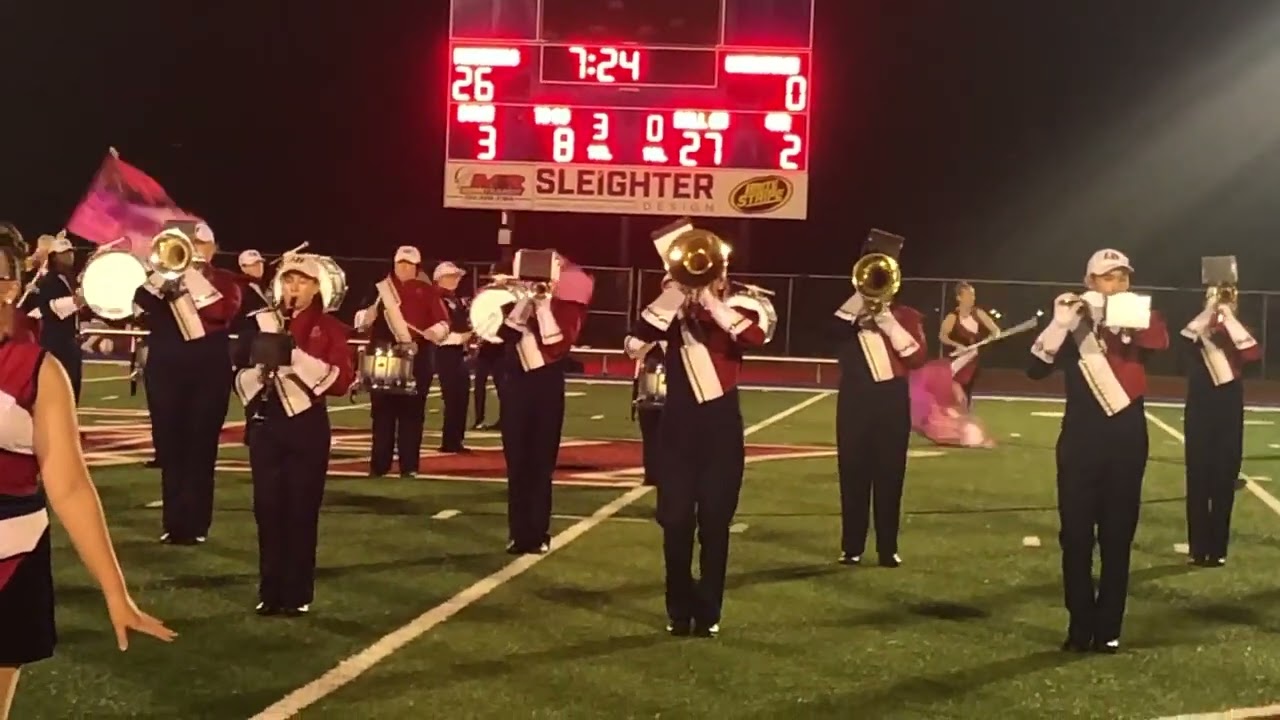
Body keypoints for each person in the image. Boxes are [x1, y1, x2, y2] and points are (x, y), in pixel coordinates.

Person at [0, 239, 175, 720]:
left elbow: (70, 486)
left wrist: (116, 593)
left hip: (10, 558)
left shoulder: (38, 369)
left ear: (10, 287)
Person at [1027, 248, 1168, 653]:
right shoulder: (1073, 326)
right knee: (1074, 537)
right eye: (1108, 277)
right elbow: (1035, 369)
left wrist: (1105, 315)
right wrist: (1059, 323)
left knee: (1117, 538)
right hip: (1080, 443)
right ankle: (1079, 624)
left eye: (1123, 276)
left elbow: (1158, 342)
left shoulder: (1142, 315)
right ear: (1090, 282)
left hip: (1127, 441)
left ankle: (1108, 627)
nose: (1118, 283)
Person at [630, 234, 766, 638]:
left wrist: (709, 300)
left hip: (721, 428)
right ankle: (679, 606)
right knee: (674, 521)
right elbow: (636, 340)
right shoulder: (669, 311)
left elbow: (756, 337)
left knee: (714, 523)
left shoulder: (738, 306)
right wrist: (676, 292)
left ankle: (708, 611)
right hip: (677, 428)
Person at [233, 254, 355, 616]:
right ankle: (270, 591)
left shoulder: (331, 327)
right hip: (266, 422)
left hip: (306, 425)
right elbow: (237, 368)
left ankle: (297, 592)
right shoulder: (260, 322)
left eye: (302, 282)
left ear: (316, 287)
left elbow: (341, 381)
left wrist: (294, 356)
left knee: (301, 510)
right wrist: (259, 371)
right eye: (288, 281)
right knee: (267, 509)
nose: (293, 288)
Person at [130, 222, 242, 545]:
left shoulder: (226, 280)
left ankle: (196, 524)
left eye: (199, 244)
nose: (193, 249)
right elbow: (139, 304)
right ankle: (174, 523)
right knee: (170, 448)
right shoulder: (164, 281)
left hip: (208, 373)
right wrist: (165, 273)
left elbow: (222, 312)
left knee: (200, 448)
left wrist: (191, 276)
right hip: (166, 372)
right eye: (188, 244)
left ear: (212, 248)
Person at [832, 235, 927, 568]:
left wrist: (886, 320)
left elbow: (916, 359)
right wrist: (860, 301)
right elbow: (830, 334)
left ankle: (888, 547)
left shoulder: (907, 315)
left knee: (890, 475)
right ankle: (852, 546)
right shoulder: (846, 316)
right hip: (855, 400)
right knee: (853, 473)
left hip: (891, 401)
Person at [496, 253, 590, 555]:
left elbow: (558, 345)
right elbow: (504, 335)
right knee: (517, 465)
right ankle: (517, 533)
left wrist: (544, 305)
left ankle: (538, 533)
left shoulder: (567, 308)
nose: (536, 284)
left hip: (547, 388)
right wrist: (525, 302)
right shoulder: (510, 305)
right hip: (516, 389)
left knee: (540, 464)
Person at [1180, 281, 1259, 567]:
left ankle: (1218, 548)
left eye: (1228, 298)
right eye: (1212, 297)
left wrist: (1228, 315)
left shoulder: (1241, 330)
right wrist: (1210, 311)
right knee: (1198, 477)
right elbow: (1185, 338)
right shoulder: (1199, 331)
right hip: (1200, 405)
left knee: (1224, 478)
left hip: (1228, 407)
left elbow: (1251, 353)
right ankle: (1197, 548)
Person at [354, 246, 447, 477]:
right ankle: (379, 465)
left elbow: (443, 322)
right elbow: (360, 320)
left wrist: (433, 333)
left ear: (417, 267)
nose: (404, 268)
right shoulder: (380, 289)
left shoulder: (427, 291)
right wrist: (366, 316)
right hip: (383, 355)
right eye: (400, 263)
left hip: (417, 358)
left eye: (409, 264)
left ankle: (409, 466)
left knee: (412, 413)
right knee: (382, 412)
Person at [623, 274, 676, 487]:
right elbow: (631, 347)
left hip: (678, 388)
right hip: (649, 386)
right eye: (669, 289)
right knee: (651, 432)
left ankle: (672, 474)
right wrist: (651, 339)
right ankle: (652, 474)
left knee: (674, 435)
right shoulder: (649, 318)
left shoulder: (689, 318)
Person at [30, 233, 86, 402]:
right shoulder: (48, 281)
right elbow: (45, 308)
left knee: (73, 388)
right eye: (64, 253)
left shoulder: (68, 280)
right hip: (56, 343)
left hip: (69, 341)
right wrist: (74, 302)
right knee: (62, 391)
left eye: (70, 252)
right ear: (54, 258)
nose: (70, 256)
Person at [431, 261, 472, 453]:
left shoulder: (453, 299)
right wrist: (465, 335)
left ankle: (456, 440)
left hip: (457, 351)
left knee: (460, 396)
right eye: (452, 276)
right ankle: (450, 441)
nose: (456, 280)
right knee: (453, 396)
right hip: (445, 350)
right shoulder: (438, 298)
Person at [938, 281, 1001, 405]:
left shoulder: (978, 313)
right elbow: (942, 336)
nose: (972, 298)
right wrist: (957, 345)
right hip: (956, 360)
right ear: (959, 298)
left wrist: (991, 337)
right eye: (968, 295)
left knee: (966, 392)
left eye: (973, 295)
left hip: (972, 361)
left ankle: (964, 416)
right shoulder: (952, 317)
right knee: (952, 393)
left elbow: (996, 330)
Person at [471, 267, 510, 431]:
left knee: (502, 385)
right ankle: (479, 419)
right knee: (479, 383)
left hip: (502, 344)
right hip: (486, 344)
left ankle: (504, 419)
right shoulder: (485, 293)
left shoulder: (510, 294)